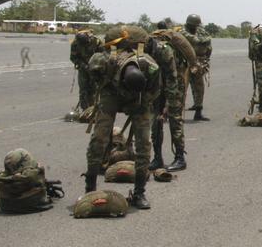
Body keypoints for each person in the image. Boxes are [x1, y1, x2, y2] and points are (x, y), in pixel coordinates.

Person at [83, 25, 161, 209]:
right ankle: (90, 187)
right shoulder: (103, 60)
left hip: (140, 98)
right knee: (99, 139)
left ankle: (140, 192)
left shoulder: (150, 66)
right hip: (111, 93)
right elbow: (93, 77)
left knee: (143, 144)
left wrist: (143, 102)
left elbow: (155, 90)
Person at [148, 24, 188, 172]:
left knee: (174, 120)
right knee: (155, 122)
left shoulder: (164, 51)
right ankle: (157, 158)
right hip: (157, 86)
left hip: (175, 85)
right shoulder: (142, 52)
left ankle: (180, 158)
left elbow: (172, 78)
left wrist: (169, 104)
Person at [178, 13, 212, 121]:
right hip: (184, 64)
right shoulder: (182, 31)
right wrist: (203, 41)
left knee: (199, 88)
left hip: (197, 63)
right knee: (182, 88)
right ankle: (178, 114)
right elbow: (196, 40)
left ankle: (198, 111)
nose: (196, 27)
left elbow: (208, 40)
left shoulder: (200, 30)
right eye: (194, 25)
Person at [69, 29, 104, 111]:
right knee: (83, 89)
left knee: (95, 89)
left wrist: (95, 65)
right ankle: (85, 110)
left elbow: (103, 55)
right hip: (83, 69)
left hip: (95, 68)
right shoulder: (75, 44)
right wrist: (83, 65)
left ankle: (95, 109)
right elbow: (73, 57)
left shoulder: (96, 41)